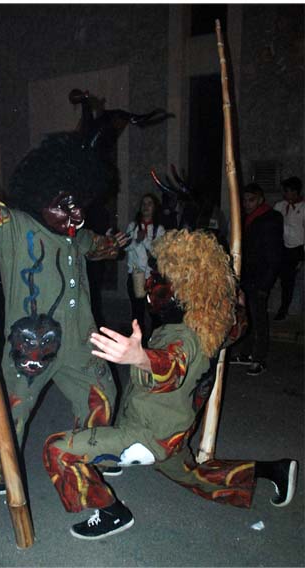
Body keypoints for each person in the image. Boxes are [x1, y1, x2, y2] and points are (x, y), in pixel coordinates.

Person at [42, 229, 297, 540]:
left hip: (147, 435)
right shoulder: (215, 324)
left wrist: (141, 358)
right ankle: (272, 470)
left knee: (58, 450)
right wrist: (237, 305)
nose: (153, 285)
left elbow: (172, 365)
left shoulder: (184, 336)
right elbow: (238, 325)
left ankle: (112, 513)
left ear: (187, 287)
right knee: (195, 475)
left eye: (161, 279)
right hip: (173, 431)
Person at [0, 130, 129, 495]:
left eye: (79, 204)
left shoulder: (76, 235)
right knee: (12, 411)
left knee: (101, 394)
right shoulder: (15, 228)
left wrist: (112, 246)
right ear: (40, 200)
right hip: (32, 347)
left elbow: (96, 245)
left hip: (82, 341)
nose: (77, 214)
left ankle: (90, 454)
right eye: (65, 206)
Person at [231, 183, 283, 376]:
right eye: (244, 200)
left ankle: (259, 358)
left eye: (251, 200)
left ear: (260, 199)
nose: (246, 204)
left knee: (259, 319)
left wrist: (266, 284)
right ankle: (245, 353)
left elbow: (274, 255)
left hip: (260, 278)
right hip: (247, 277)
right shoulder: (247, 217)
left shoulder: (270, 219)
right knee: (246, 317)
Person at [123, 193, 165, 341]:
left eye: (149, 203)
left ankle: (155, 344)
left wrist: (144, 240)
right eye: (144, 203)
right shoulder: (132, 226)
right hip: (134, 277)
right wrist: (136, 241)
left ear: (155, 208)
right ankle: (138, 344)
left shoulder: (159, 229)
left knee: (155, 314)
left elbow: (159, 252)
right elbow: (125, 247)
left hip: (152, 278)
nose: (146, 206)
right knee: (137, 313)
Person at [272, 176, 304, 320]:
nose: (285, 194)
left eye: (287, 191)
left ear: (295, 192)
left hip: (296, 249)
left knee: (289, 281)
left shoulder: (303, 208)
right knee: (280, 278)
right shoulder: (280, 206)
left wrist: (302, 257)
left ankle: (284, 309)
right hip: (280, 247)